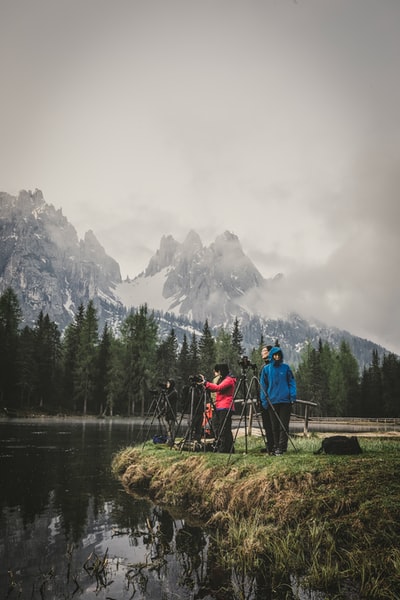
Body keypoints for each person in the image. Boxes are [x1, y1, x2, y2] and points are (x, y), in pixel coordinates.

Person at [259, 346, 296, 455]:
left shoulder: (286, 368)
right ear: (272, 356)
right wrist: (264, 401)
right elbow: (263, 386)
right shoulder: (266, 369)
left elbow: (291, 382)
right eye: (275, 355)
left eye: (279, 355)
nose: (277, 356)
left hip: (285, 401)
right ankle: (276, 446)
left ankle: (282, 447)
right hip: (272, 401)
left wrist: (292, 396)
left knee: (283, 425)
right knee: (274, 426)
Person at [200, 364, 236, 453]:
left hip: (226, 406)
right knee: (217, 426)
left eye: (219, 371)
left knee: (224, 428)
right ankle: (226, 447)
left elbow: (218, 388)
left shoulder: (229, 380)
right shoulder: (223, 379)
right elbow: (214, 388)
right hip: (219, 406)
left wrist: (205, 383)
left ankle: (224, 448)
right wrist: (205, 384)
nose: (218, 373)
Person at [259, 345, 275, 455]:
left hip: (271, 398)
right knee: (267, 424)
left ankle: (275, 445)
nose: (262, 353)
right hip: (264, 398)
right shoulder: (263, 366)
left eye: (264, 351)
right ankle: (270, 445)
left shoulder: (272, 366)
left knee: (272, 423)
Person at [165, 378, 178, 446]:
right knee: (168, 428)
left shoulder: (174, 392)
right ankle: (169, 440)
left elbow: (167, 398)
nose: (167, 385)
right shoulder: (169, 391)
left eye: (168, 383)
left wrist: (165, 394)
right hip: (168, 412)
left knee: (171, 427)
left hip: (172, 412)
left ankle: (172, 440)